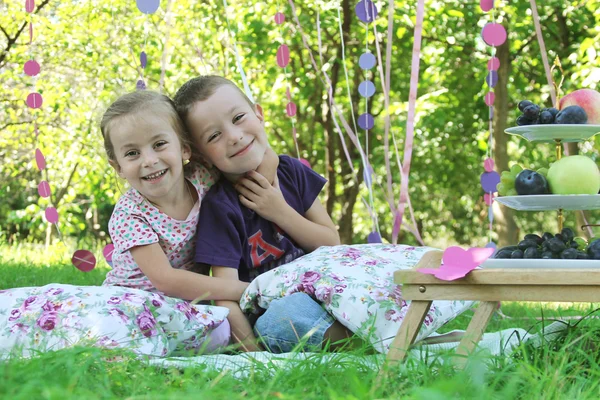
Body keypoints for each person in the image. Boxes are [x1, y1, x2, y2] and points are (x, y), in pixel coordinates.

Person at [173, 76, 358, 353]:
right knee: (287, 316)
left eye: (238, 118)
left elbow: (332, 244)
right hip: (274, 312)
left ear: (258, 114)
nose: (234, 137)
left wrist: (279, 211)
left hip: (324, 290)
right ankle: (364, 342)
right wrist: (255, 358)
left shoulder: (291, 172)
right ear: (201, 156)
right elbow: (226, 294)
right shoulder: (220, 207)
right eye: (214, 136)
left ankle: (377, 327)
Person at [99, 90, 278, 352]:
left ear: (184, 148)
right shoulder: (129, 215)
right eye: (132, 153)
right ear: (118, 168)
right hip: (135, 302)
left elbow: (259, 162)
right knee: (213, 333)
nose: (149, 161)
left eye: (159, 144)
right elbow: (166, 280)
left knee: (217, 328)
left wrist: (270, 171)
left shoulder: (202, 176)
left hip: (188, 301)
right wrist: (245, 289)